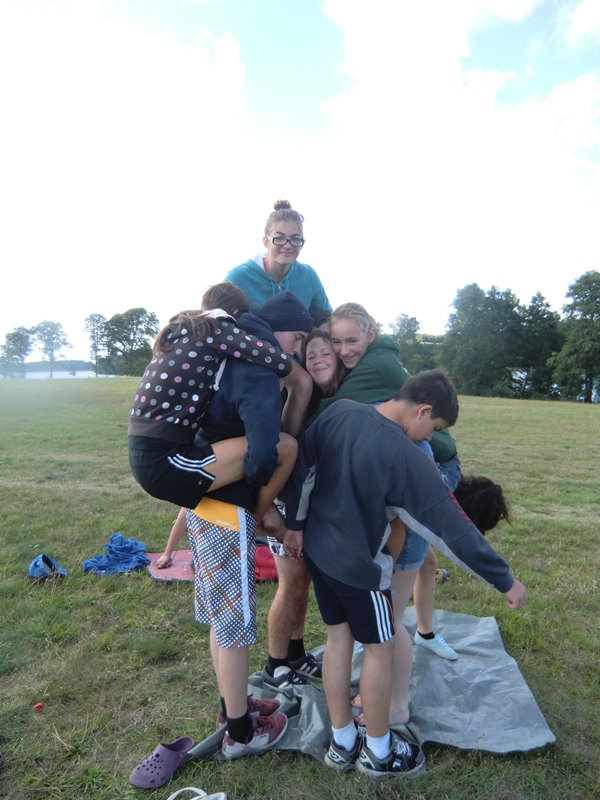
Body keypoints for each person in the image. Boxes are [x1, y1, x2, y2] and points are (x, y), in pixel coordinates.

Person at [282, 371, 527, 778]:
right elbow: (454, 529)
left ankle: (342, 744)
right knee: (381, 647)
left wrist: (295, 523)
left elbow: (303, 469)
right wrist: (505, 579)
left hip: (320, 555)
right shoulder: (409, 457)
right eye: (435, 427)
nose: (430, 437)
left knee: (338, 639)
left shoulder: (339, 412)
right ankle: (379, 752)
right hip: (361, 570)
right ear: (423, 410)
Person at [179, 287, 309, 760]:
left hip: (202, 501)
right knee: (233, 624)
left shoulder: (218, 357)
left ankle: (231, 707)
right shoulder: (257, 361)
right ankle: (241, 731)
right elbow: (265, 449)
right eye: (297, 338)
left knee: (221, 618)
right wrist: (260, 505)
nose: (297, 349)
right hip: (228, 509)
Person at [128, 292, 297, 526]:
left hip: (145, 450)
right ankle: (257, 520)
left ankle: (265, 518)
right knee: (288, 447)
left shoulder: (182, 331)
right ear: (236, 315)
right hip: (164, 462)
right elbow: (280, 361)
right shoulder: (214, 328)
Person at [224, 199, 332, 318]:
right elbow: (216, 319)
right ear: (266, 241)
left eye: (295, 239)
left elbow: (327, 319)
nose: (287, 246)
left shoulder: (308, 276)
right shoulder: (238, 278)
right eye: (279, 238)